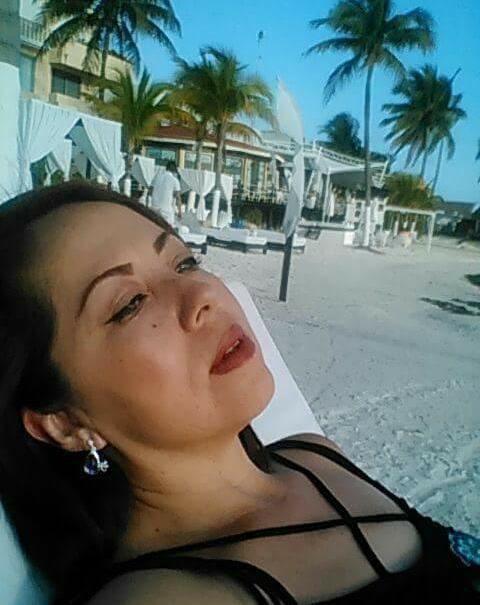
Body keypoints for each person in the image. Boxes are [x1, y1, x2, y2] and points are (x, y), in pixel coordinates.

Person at [0, 181, 478, 605]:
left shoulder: (314, 456)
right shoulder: (159, 597)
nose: (203, 294)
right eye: (130, 304)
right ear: (64, 422)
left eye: (185, 262)